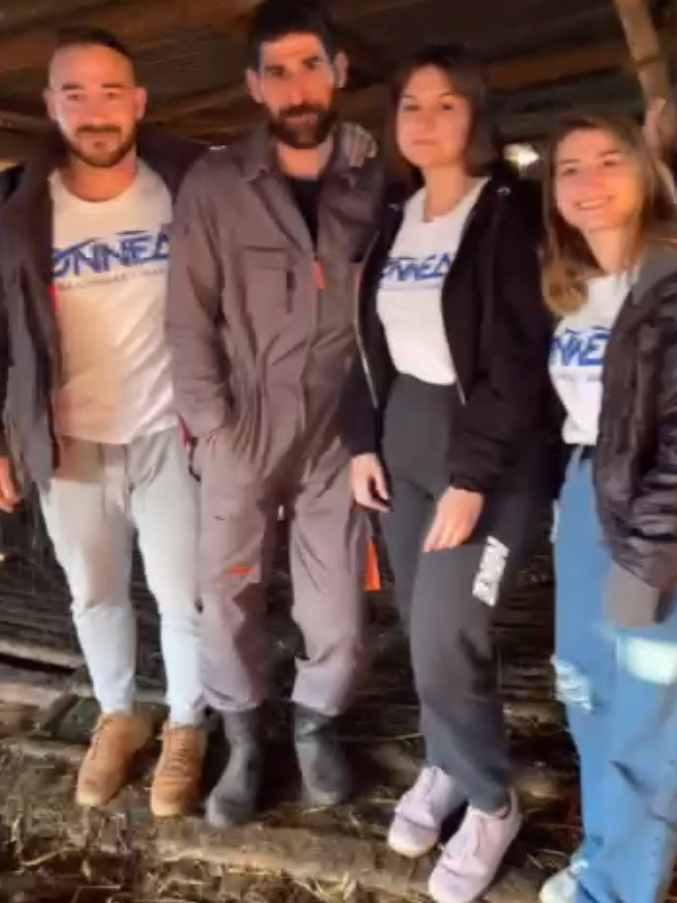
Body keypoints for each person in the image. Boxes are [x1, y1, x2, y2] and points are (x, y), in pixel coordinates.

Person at [340, 44, 560, 903]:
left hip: (489, 453)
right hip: (404, 435)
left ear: (475, 115)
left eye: (445, 105)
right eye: (411, 106)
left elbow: (520, 355)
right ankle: (446, 759)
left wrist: (472, 476)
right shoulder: (392, 215)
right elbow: (366, 339)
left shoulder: (508, 213)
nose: (425, 121)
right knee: (416, 619)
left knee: (446, 633)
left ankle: (491, 799)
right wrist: (362, 439)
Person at [165, 0, 383, 829]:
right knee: (225, 595)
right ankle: (244, 736)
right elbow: (187, 315)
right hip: (244, 420)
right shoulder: (217, 184)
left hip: (337, 423)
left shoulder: (371, 176)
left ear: (338, 72)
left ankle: (316, 721)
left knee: (338, 607)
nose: (296, 88)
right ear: (255, 86)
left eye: (310, 66)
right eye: (278, 72)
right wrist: (212, 425)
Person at [0, 27, 208, 817]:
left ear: (139, 102)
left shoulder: (187, 185)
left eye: (110, 91)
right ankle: (119, 713)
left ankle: (187, 723)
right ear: (51, 105)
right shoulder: (17, 207)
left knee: (185, 594)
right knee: (93, 591)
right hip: (67, 439)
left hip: (169, 433)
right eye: (76, 93)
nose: (95, 111)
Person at [541, 112, 677, 903]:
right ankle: (603, 853)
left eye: (608, 161)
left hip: (655, 518)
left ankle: (622, 887)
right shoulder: (571, 290)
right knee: (585, 688)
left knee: (646, 709)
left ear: (646, 170)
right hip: (584, 495)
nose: (587, 182)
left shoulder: (667, 281)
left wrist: (649, 556)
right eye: (568, 168)